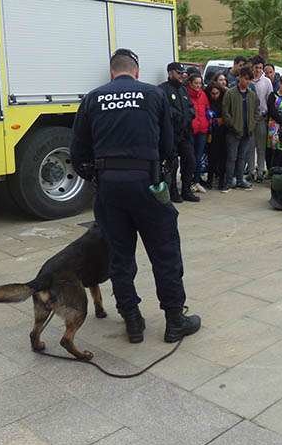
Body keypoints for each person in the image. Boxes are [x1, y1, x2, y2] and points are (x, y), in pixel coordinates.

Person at [70, 48, 200, 344]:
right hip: (148, 184)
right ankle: (174, 320)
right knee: (165, 252)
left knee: (119, 256)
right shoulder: (153, 95)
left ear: (112, 71)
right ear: (136, 71)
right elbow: (169, 145)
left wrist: (98, 178)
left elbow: (77, 153)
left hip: (110, 189)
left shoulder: (92, 98)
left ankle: (132, 321)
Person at [159, 62, 198, 203]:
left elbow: (190, 107)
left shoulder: (183, 89)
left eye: (183, 73)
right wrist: (178, 117)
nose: (182, 75)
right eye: (178, 73)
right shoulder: (162, 89)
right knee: (172, 164)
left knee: (191, 161)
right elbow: (166, 111)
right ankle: (173, 191)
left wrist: (190, 114)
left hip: (185, 133)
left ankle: (186, 190)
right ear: (170, 73)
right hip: (172, 134)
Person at [222, 67, 259, 192]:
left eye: (250, 80)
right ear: (240, 77)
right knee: (231, 157)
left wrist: (252, 125)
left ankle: (239, 180)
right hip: (233, 132)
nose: (247, 82)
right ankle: (228, 181)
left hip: (247, 131)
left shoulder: (252, 95)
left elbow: (256, 112)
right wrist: (233, 125)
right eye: (246, 79)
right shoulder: (230, 93)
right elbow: (225, 112)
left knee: (242, 157)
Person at [247, 55, 273, 183]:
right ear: (252, 68)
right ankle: (251, 171)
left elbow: (270, 100)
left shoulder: (267, 82)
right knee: (250, 146)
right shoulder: (248, 81)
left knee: (261, 146)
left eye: (260, 68)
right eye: (256, 67)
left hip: (262, 117)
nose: (258, 70)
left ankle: (261, 170)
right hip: (249, 119)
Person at [186, 72, 210, 193]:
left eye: (200, 83)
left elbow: (207, 110)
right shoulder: (185, 94)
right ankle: (188, 182)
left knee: (199, 157)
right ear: (190, 83)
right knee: (190, 158)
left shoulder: (203, 95)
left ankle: (196, 181)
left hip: (202, 130)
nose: (198, 85)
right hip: (191, 130)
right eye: (196, 83)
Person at [204, 79, 227, 190]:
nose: (214, 96)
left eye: (216, 93)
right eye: (212, 93)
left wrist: (223, 120)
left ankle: (221, 181)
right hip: (210, 133)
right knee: (211, 158)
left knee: (222, 158)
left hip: (222, 133)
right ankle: (209, 179)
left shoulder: (224, 100)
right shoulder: (207, 100)